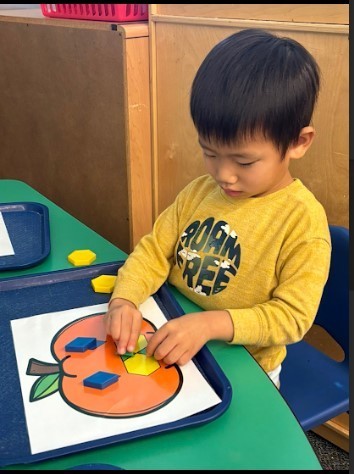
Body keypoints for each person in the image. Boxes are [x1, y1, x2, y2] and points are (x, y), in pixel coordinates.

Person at [104, 28, 331, 388]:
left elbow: (292, 318)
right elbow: (153, 253)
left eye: (244, 161)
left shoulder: (302, 221)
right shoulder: (199, 192)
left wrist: (211, 324)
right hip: (171, 338)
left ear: (298, 143)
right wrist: (125, 300)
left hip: (247, 368)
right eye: (210, 153)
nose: (224, 176)